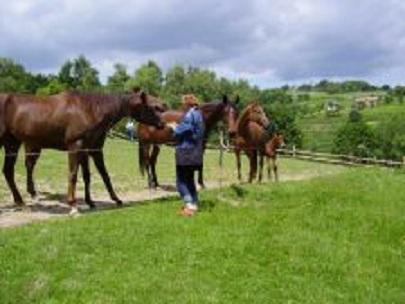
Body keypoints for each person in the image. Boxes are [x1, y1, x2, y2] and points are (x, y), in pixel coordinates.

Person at [167, 94, 205, 216]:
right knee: (190, 180)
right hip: (196, 152)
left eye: (183, 104)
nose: (182, 106)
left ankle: (189, 205)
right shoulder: (199, 115)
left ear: (187, 104)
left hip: (186, 152)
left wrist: (174, 126)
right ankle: (195, 204)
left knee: (181, 182)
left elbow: (180, 131)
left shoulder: (190, 115)